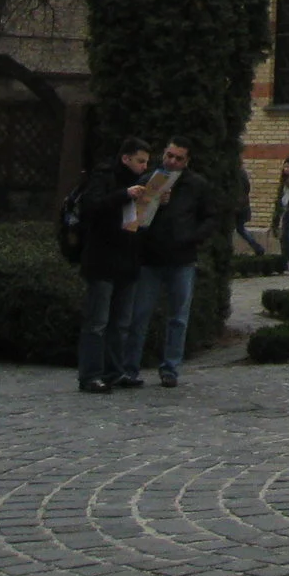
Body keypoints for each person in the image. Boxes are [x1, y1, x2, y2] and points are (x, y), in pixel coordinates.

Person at [121, 138, 224, 389]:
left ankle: (170, 368)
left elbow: (211, 217)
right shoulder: (149, 180)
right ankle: (129, 368)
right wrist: (155, 202)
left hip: (182, 259)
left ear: (186, 161)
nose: (172, 161)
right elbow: (134, 221)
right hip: (151, 259)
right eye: (169, 155)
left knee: (178, 317)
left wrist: (192, 239)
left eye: (178, 158)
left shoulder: (196, 185)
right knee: (140, 315)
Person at [75, 138, 152, 393]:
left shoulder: (142, 184)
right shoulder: (104, 177)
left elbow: (140, 223)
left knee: (121, 322)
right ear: (126, 158)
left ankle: (115, 371)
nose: (143, 166)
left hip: (127, 260)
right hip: (103, 259)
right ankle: (90, 375)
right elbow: (92, 207)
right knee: (97, 322)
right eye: (140, 161)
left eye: (146, 162)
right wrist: (124, 194)